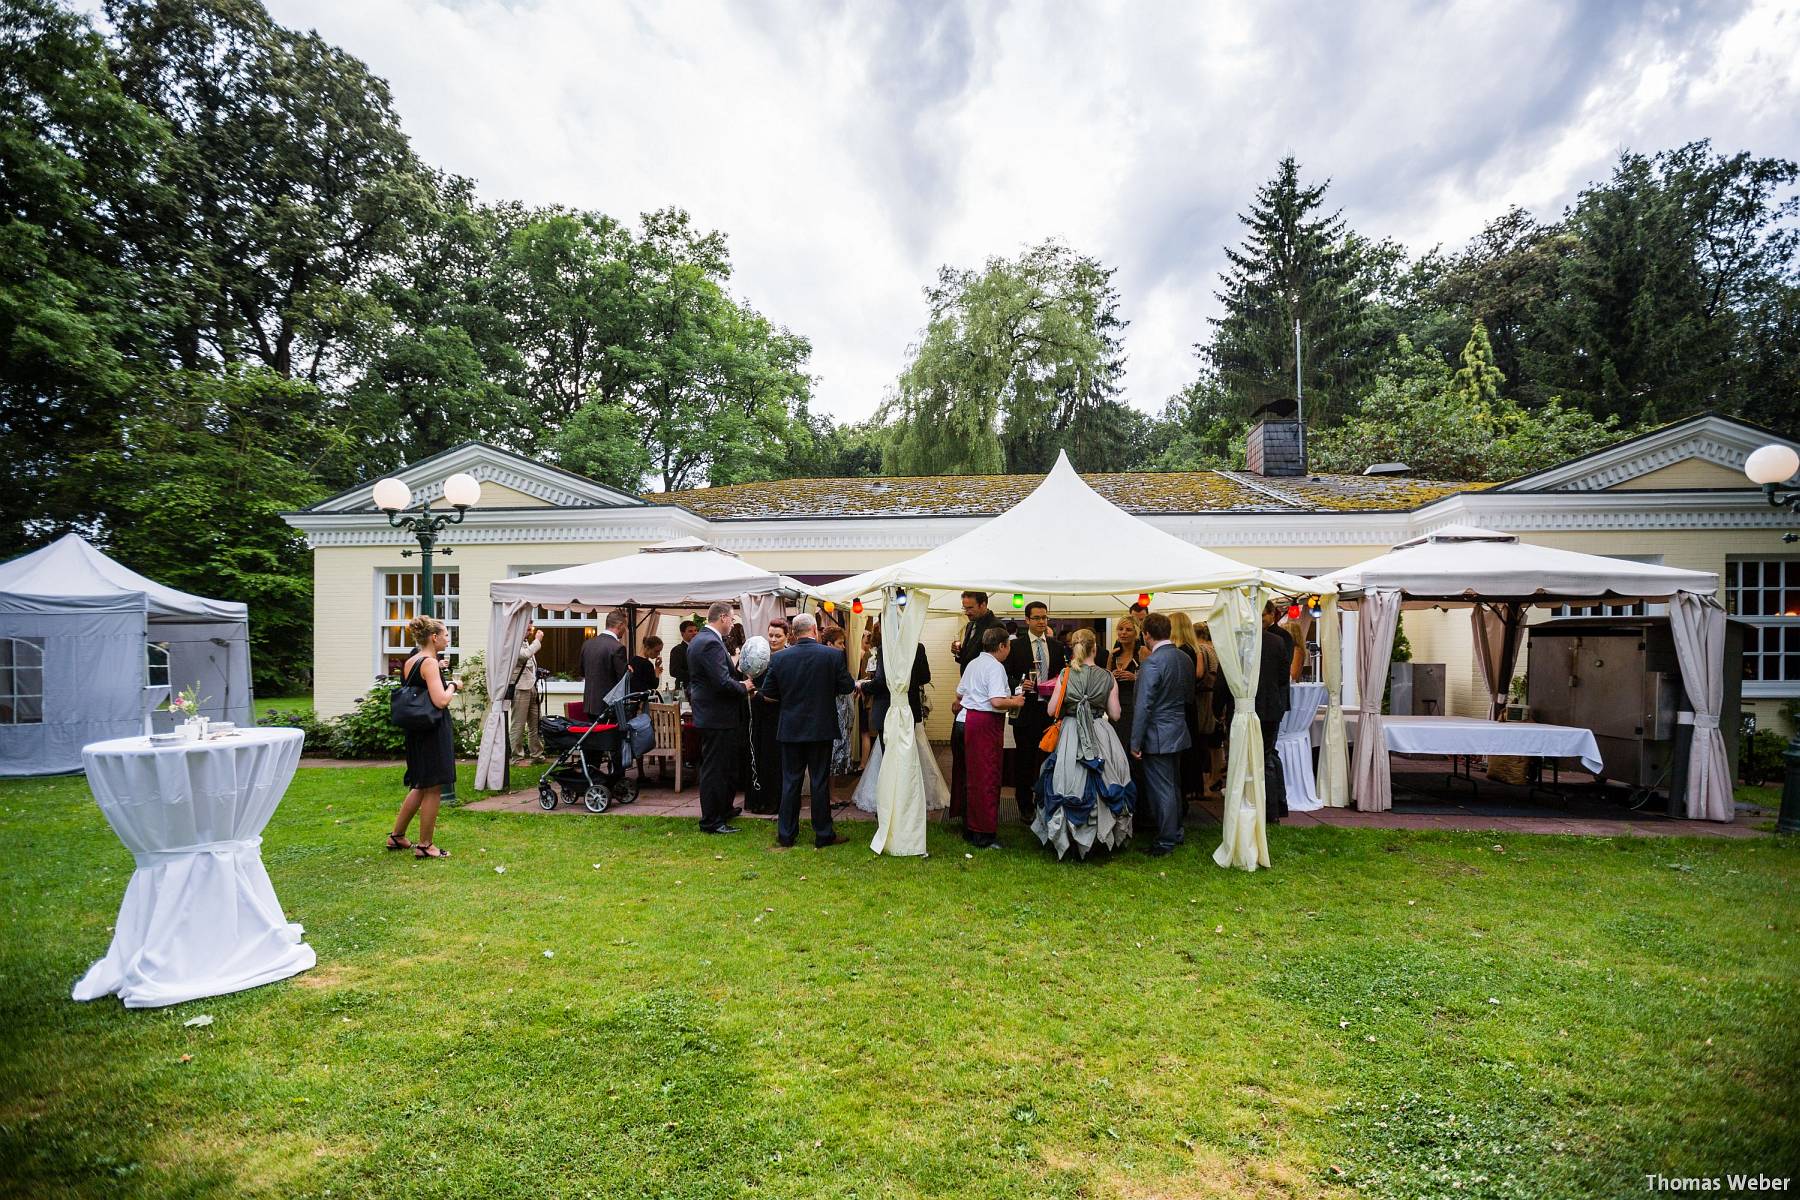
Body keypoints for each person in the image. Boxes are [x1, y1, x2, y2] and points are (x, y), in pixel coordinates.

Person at [1032, 628, 1134, 858]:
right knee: (1106, 777)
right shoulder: (1107, 676)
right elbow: (1116, 714)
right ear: (1095, 648)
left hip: (1070, 731)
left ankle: (1067, 836)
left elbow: (1051, 710)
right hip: (1100, 731)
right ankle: (1103, 836)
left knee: (1067, 779)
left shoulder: (1065, 674)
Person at [758, 613, 855, 849]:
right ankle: (823, 833)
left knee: (791, 781)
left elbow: (768, 694)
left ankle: (786, 835)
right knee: (819, 781)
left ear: (793, 632)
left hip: (791, 727)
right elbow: (847, 686)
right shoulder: (832, 655)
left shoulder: (780, 659)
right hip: (821, 727)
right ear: (814, 629)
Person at [389, 615, 458, 859]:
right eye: (446, 635)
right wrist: (453, 686)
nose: (448, 639)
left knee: (420, 783)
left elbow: (418, 687)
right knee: (433, 787)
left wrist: (438, 671)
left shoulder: (413, 661)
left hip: (416, 729)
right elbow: (440, 700)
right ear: (434, 637)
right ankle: (426, 845)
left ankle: (397, 836)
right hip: (432, 730)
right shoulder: (429, 662)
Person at [954, 626, 1024, 848]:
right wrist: (1015, 701)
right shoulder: (995, 667)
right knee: (988, 778)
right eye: (1008, 646)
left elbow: (959, 693)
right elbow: (996, 701)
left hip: (969, 721)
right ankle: (984, 834)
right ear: (1002, 646)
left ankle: (971, 828)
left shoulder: (973, 663)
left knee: (973, 779)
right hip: (986, 723)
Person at [1130, 613, 1194, 857]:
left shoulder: (1152, 663)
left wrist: (1135, 741)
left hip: (1157, 733)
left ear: (1146, 634)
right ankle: (1175, 831)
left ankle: (1166, 839)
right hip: (1178, 728)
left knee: (1162, 788)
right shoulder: (1184, 658)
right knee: (1174, 785)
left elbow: (1143, 704)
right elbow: (1188, 696)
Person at [688, 601, 752, 834]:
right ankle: (712, 821)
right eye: (732, 619)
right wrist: (744, 686)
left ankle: (723, 808)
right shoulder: (709, 643)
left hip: (715, 715)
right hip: (717, 716)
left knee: (725, 766)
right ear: (723, 617)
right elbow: (722, 682)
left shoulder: (704, 640)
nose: (733, 623)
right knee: (715, 769)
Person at [1006, 601, 1067, 820]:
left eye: (1045, 618)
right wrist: (1021, 684)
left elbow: (1062, 676)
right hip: (1025, 710)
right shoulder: (1015, 646)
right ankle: (1024, 805)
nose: (1042, 622)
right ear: (1027, 620)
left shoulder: (1057, 647)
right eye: (1037, 618)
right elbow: (1007, 675)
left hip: (1048, 711)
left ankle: (1046, 799)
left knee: (1049, 758)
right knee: (1024, 759)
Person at [949, 591, 1002, 820]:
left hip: (978, 702)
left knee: (978, 768)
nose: (967, 612)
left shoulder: (994, 627)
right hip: (970, 699)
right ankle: (966, 810)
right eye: (964, 608)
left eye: (970, 608)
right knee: (966, 764)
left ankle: (972, 812)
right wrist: (958, 654)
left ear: (984, 605)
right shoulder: (970, 626)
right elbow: (969, 661)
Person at [1256, 601, 1295, 824]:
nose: (1260, 618)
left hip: (1271, 703)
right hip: (1270, 703)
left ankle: (1275, 808)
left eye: (1263, 615)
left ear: (1272, 614)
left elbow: (1283, 674)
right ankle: (1275, 806)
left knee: (1269, 757)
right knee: (1269, 756)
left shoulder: (1281, 637)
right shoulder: (1274, 638)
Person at [746, 617, 789, 814]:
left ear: (786, 637)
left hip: (778, 714)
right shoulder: (761, 656)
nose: (773, 639)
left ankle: (774, 801)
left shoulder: (788, 658)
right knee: (759, 755)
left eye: (777, 636)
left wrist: (758, 695)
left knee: (774, 759)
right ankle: (758, 799)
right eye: (770, 635)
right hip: (759, 714)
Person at [1166, 613, 1204, 802]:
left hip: (1179, 707)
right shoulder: (1193, 650)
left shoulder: (1179, 652)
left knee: (1181, 751)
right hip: (1190, 705)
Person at [1194, 620, 1227, 801]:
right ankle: (1215, 778)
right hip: (1215, 697)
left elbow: (1205, 675)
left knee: (1203, 740)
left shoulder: (1201, 650)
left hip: (1204, 698)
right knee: (1215, 741)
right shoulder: (1215, 649)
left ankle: (1206, 784)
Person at [578, 609, 629, 720]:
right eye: (625, 626)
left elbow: (582, 672)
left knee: (593, 737)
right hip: (608, 707)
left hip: (589, 705)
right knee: (609, 737)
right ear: (620, 625)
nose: (625, 630)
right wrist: (629, 672)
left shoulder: (587, 644)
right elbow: (623, 680)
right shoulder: (617, 647)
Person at [820, 625, 856, 775]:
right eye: (840, 643)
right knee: (834, 748)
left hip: (840, 710)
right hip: (833, 711)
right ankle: (831, 792)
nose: (843, 648)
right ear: (829, 644)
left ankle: (832, 791)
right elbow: (847, 684)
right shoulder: (832, 661)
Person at [507, 622, 544, 761]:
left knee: (536, 723)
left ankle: (537, 754)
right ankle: (517, 756)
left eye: (531, 629)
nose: (530, 632)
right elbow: (524, 656)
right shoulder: (512, 642)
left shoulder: (525, 642)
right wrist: (537, 640)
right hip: (520, 688)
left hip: (532, 686)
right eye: (528, 629)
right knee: (519, 724)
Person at [1108, 615, 1144, 739]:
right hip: (1117, 705)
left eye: (1128, 630)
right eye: (1120, 629)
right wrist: (1111, 676)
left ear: (1136, 633)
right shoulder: (1113, 654)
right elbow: (1106, 680)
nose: (1123, 633)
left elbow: (1153, 680)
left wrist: (1135, 678)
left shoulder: (1143, 652)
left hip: (1136, 704)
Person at [669, 620, 698, 692]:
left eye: (696, 630)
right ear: (682, 633)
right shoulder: (678, 650)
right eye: (690, 631)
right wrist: (695, 674)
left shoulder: (700, 648)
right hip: (684, 690)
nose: (694, 633)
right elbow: (674, 671)